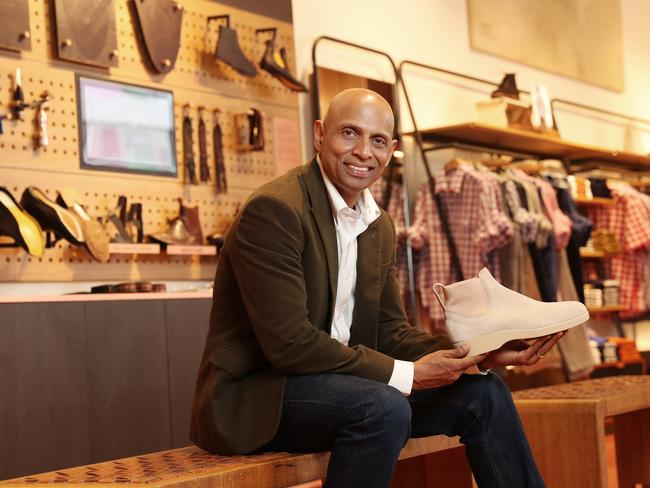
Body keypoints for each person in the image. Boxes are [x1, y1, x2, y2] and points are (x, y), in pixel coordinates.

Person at [191, 88, 561, 487]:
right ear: (319, 135)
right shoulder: (275, 211)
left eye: (378, 141)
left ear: (391, 150)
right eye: (349, 133)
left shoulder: (379, 224)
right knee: (382, 406)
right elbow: (289, 344)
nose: (363, 151)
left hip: (342, 390)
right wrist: (409, 374)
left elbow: (390, 332)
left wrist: (480, 354)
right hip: (260, 397)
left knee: (485, 392)